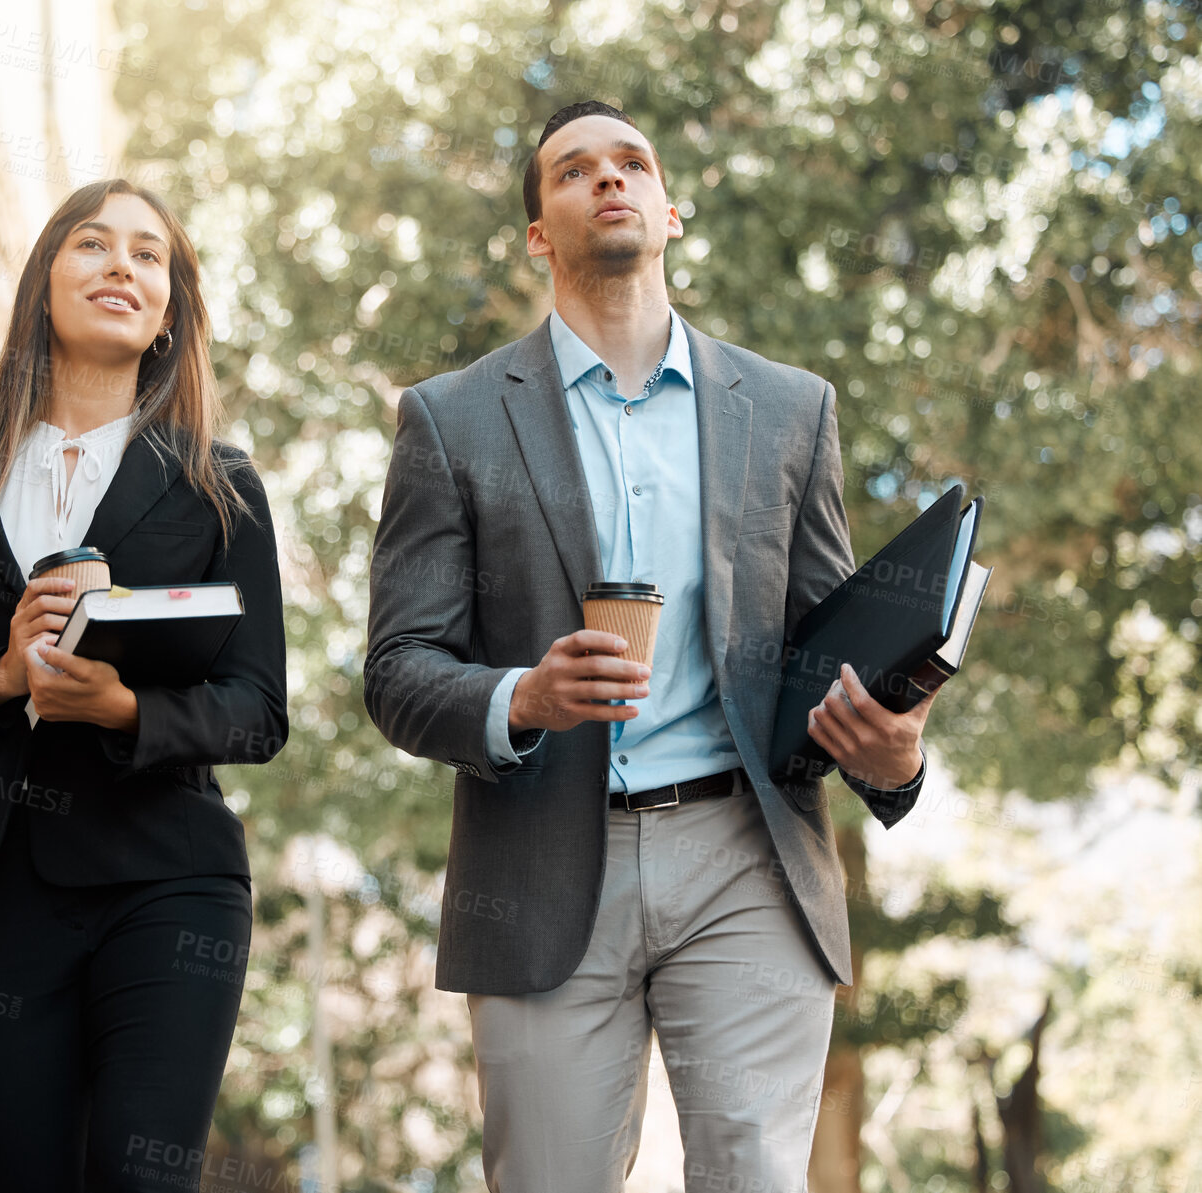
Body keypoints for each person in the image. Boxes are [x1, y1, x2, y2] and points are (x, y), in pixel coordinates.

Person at [363, 100, 936, 1193]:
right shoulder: (450, 419)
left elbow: (834, 650)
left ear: (670, 209)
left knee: (754, 1176)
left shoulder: (789, 408)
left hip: (747, 858)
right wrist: (523, 696)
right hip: (535, 868)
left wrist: (895, 752)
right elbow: (396, 671)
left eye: (631, 163)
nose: (607, 180)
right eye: (573, 171)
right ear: (540, 230)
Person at [0, 179, 287, 1193]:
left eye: (147, 255)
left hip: (164, 881)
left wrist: (121, 708)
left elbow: (257, 709)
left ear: (171, 309)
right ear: (44, 283)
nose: (120, 267)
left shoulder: (221, 485)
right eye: (91, 244)